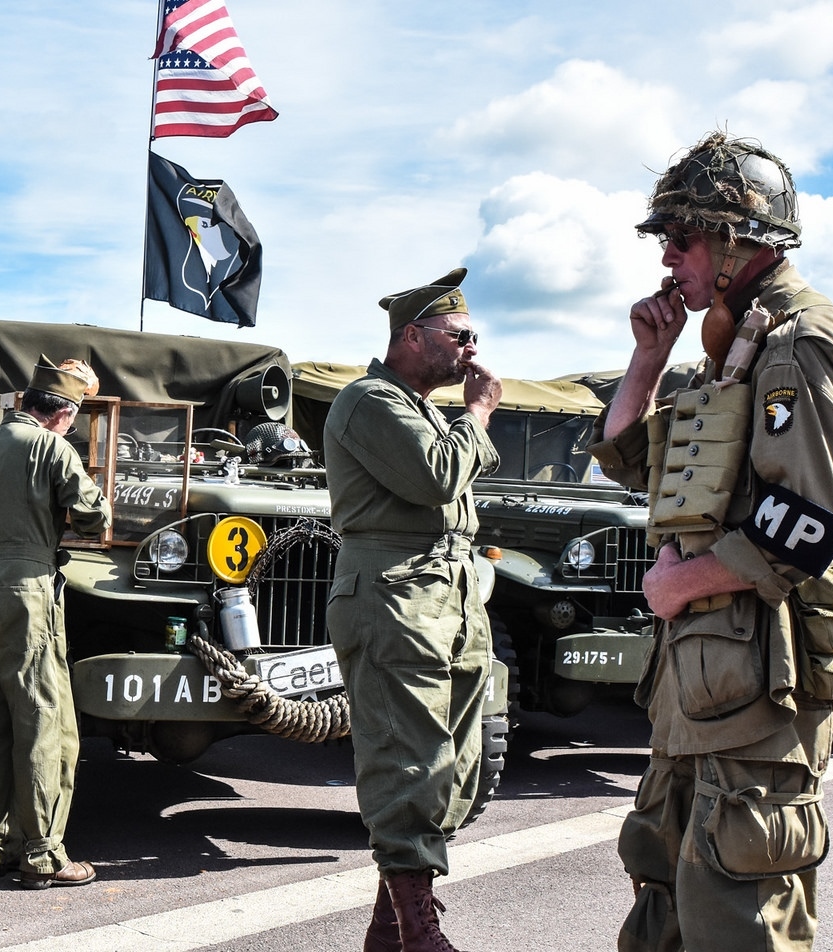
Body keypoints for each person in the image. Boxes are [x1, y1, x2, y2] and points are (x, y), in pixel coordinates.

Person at [591, 133, 833, 952]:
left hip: (761, 685)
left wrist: (683, 584)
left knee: (740, 921)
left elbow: (812, 519)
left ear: (733, 238)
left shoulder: (800, 344)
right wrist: (648, 360)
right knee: (666, 905)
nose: (668, 258)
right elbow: (632, 462)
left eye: (681, 238)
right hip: (705, 681)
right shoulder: (734, 348)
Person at [323, 267, 502, 952]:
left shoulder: (423, 408)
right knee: (408, 759)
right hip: (395, 593)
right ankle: (419, 934)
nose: (472, 349)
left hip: (447, 595)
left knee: (454, 761)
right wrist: (479, 413)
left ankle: (387, 929)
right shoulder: (372, 400)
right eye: (459, 335)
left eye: (472, 335)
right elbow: (435, 476)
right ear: (412, 335)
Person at [0, 354, 110, 889]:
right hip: (27, 591)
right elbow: (95, 515)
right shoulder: (52, 447)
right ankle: (44, 852)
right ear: (64, 413)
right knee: (44, 719)